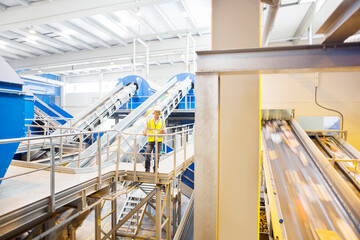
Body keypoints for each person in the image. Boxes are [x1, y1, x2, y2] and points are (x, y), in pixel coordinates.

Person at [142, 106, 166, 172]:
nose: (157, 113)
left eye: (158, 112)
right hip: (151, 140)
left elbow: (165, 131)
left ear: (159, 113)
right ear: (154, 113)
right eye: (156, 112)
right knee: (147, 154)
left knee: (157, 156)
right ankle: (147, 169)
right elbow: (144, 129)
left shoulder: (162, 121)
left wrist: (163, 132)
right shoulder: (149, 121)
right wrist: (144, 132)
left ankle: (155, 169)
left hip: (159, 140)